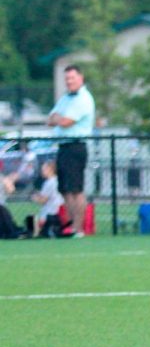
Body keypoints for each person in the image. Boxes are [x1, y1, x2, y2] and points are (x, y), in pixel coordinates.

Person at [46, 64, 95, 237]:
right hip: (63, 146)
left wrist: (60, 119)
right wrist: (59, 119)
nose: (69, 81)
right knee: (65, 188)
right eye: (67, 78)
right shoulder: (65, 98)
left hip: (76, 146)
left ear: (81, 78)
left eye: (72, 78)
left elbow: (67, 122)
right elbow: (51, 119)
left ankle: (78, 228)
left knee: (76, 188)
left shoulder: (84, 99)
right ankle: (71, 225)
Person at [30, 159, 65, 238]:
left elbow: (43, 200)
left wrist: (34, 198)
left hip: (49, 212)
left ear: (50, 170)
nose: (42, 171)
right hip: (59, 210)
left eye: (44, 169)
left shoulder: (49, 182)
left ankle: (38, 231)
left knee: (32, 220)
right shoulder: (58, 180)